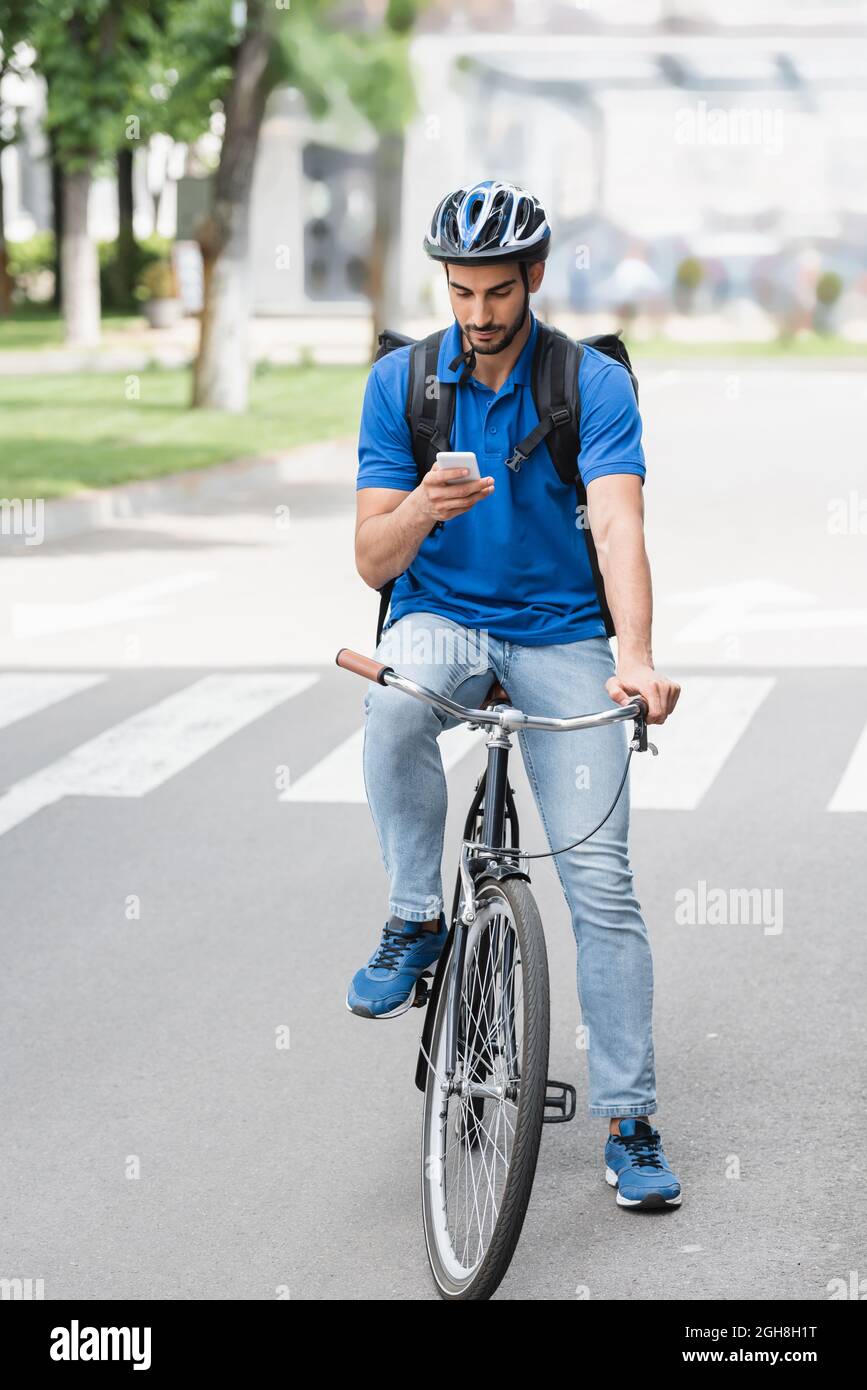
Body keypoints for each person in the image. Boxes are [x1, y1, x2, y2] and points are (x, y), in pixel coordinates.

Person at [348, 179, 683, 1210]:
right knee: (396, 707)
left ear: (534, 278)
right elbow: (371, 560)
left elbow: (620, 527)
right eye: (461, 293)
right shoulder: (403, 384)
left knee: (602, 881)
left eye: (498, 293)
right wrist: (418, 508)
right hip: (443, 614)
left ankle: (630, 1121)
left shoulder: (590, 385)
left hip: (566, 631)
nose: (481, 315)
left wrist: (634, 653)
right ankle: (417, 917)